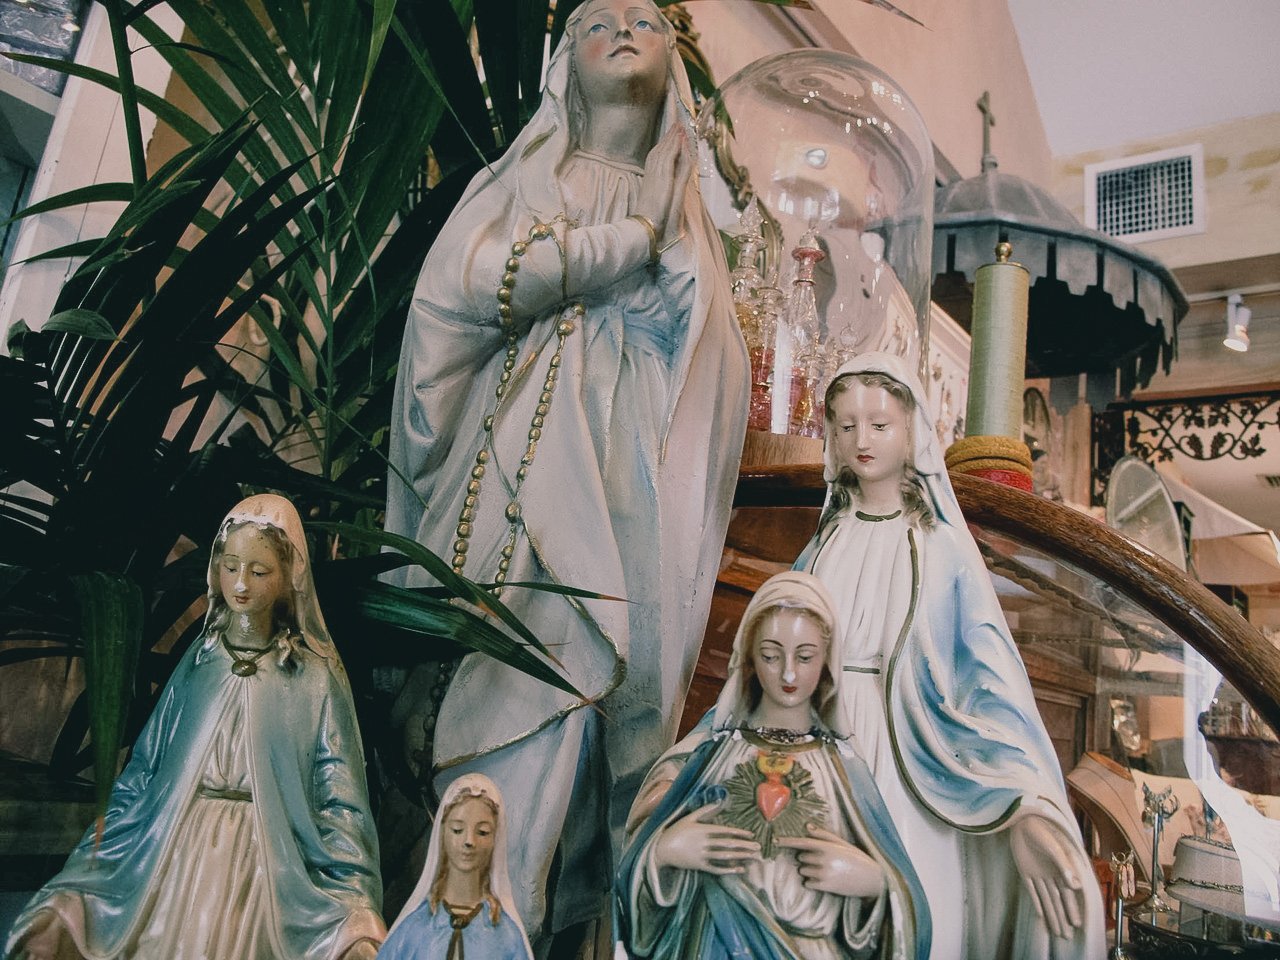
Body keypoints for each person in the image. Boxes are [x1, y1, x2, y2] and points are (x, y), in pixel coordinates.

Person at [384, 0, 748, 940]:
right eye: (599, 20)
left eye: (647, 19)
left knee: (601, 692)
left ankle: (550, 918)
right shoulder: (527, 181)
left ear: (675, 64)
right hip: (517, 476)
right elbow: (455, 294)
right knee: (515, 673)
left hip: (625, 484)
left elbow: (710, 368)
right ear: (562, 67)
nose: (625, 27)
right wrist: (619, 247)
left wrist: (672, 278)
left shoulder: (687, 214)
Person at [794, 352, 1104, 959]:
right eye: (846, 424)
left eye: (879, 425)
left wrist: (1023, 805)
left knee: (908, 918)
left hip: (913, 757)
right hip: (822, 747)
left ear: (912, 434)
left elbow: (988, 682)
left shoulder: (939, 549)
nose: (861, 440)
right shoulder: (824, 540)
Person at [5, 495, 385, 960]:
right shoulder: (200, 663)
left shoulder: (313, 677)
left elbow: (340, 801)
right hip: (173, 847)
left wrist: (353, 901)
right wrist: (88, 867)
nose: (241, 584)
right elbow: (144, 774)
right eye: (231, 566)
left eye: (259, 571)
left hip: (269, 866)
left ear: (290, 577)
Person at [616, 571, 930, 960]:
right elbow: (631, 876)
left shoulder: (844, 771)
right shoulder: (713, 757)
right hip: (712, 941)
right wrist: (665, 851)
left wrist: (874, 883)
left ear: (828, 661)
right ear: (749, 655)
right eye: (770, 655)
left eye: (805, 656)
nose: (788, 674)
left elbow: (909, 903)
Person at [379, 774, 532, 960]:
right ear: (442, 833)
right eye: (458, 830)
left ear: (496, 839)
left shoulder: (506, 936)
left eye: (482, 832)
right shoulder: (415, 928)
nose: (469, 841)